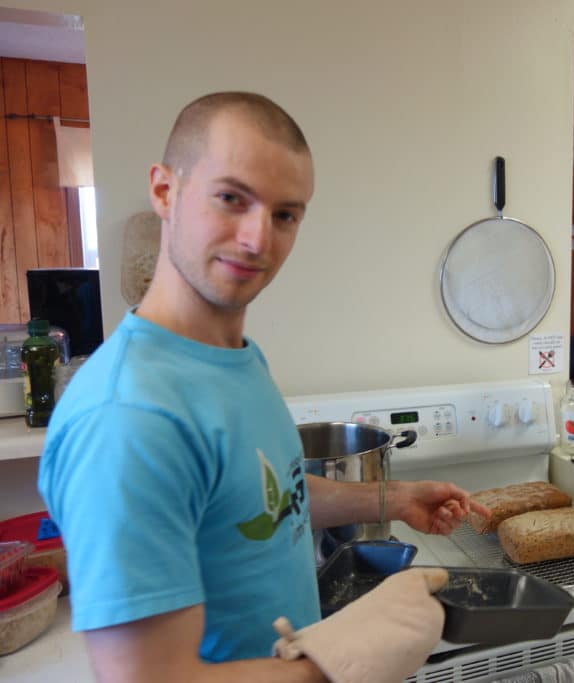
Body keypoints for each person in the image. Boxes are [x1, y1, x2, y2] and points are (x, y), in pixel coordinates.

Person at [38, 92, 489, 683]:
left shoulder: (232, 359)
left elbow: (265, 497)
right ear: (164, 191)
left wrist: (394, 500)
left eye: (285, 214)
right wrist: (338, 663)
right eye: (231, 198)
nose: (258, 239)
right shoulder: (129, 417)